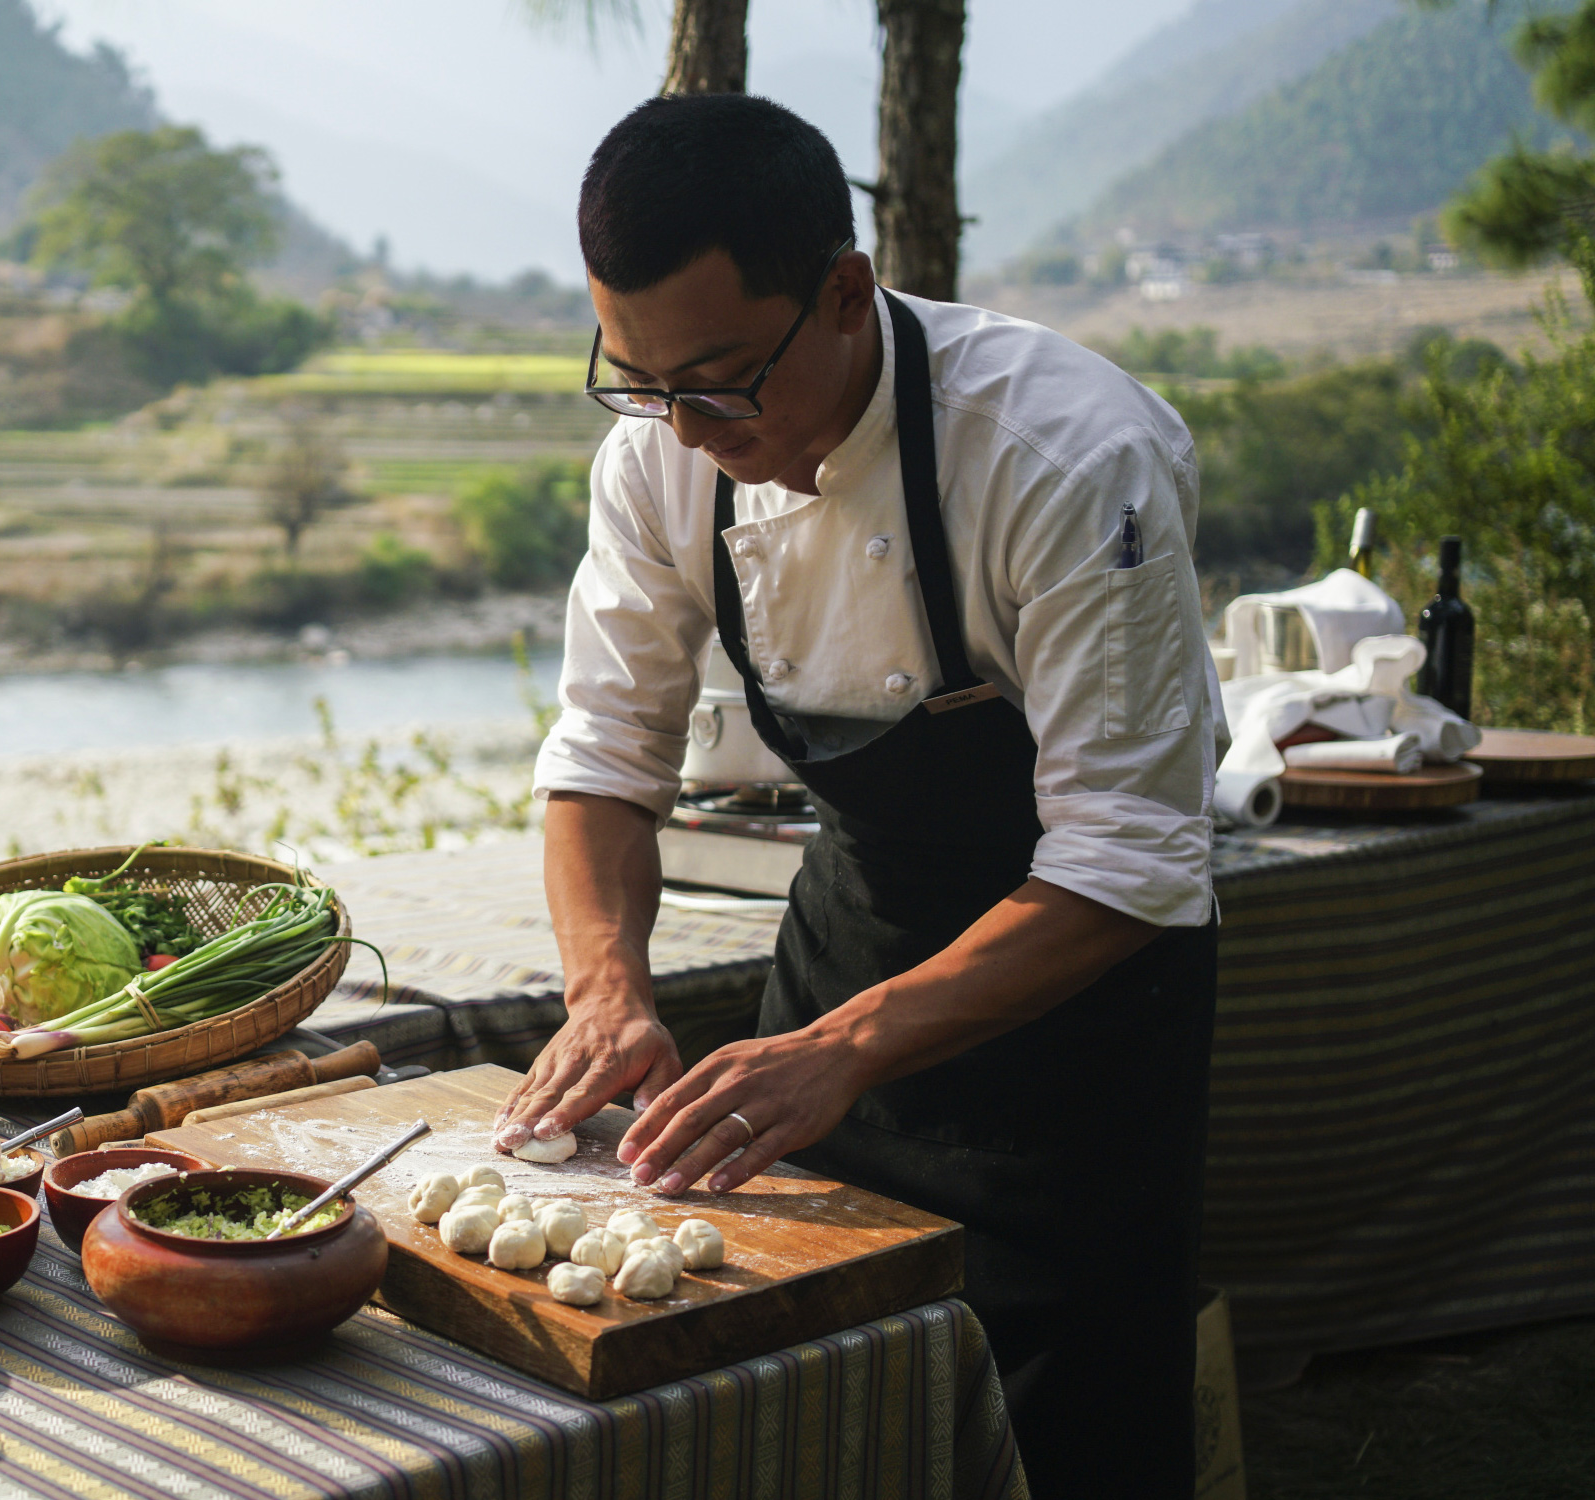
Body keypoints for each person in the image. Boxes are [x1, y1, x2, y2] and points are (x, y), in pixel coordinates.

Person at [498, 94, 1224, 1499]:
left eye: (717, 381)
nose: (681, 427)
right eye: (634, 378)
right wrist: (606, 989)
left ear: (843, 291)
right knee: (808, 1408)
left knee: (1070, 1430)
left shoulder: (1063, 456)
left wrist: (846, 1049)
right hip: (846, 953)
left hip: (1075, 1024)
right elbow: (602, 756)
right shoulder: (661, 452)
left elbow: (1131, 856)